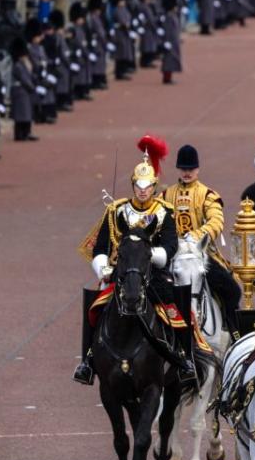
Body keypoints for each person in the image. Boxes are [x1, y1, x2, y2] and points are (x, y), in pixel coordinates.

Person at [74, 139, 197, 386]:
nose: (143, 191)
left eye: (147, 186)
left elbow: (171, 246)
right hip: (120, 274)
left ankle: (184, 358)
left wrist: (152, 256)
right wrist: (104, 268)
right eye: (138, 186)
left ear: (154, 186)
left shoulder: (164, 211)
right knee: (94, 303)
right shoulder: (116, 211)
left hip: (152, 274)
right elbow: (101, 247)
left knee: (176, 304)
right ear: (133, 185)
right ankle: (87, 360)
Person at [162, 144, 243, 339]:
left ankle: (232, 331)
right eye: (184, 169)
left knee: (232, 291)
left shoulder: (207, 195)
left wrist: (197, 236)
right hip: (173, 254)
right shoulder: (165, 195)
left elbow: (216, 221)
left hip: (201, 253)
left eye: (191, 169)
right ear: (178, 169)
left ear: (197, 169)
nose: (187, 173)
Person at [9, 38, 38, 141]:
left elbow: (30, 77)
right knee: (21, 115)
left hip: (25, 91)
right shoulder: (18, 66)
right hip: (21, 91)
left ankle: (26, 132)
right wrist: (32, 87)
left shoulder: (23, 65)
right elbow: (24, 79)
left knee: (27, 114)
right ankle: (20, 134)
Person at [160, 0, 182, 85]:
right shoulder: (169, 16)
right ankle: (167, 78)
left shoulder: (172, 15)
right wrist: (166, 42)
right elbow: (168, 30)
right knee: (168, 59)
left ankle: (168, 77)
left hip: (173, 41)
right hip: (170, 41)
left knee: (172, 59)